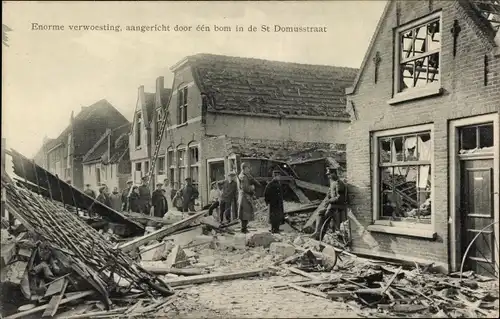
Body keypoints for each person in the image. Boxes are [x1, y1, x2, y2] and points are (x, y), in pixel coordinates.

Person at [311, 167, 346, 241]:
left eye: (329, 174)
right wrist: (327, 199)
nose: (328, 176)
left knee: (326, 217)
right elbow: (329, 195)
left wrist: (329, 201)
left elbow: (340, 198)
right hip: (332, 205)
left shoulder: (339, 183)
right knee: (320, 213)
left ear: (334, 173)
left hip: (338, 206)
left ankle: (319, 235)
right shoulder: (333, 183)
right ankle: (317, 232)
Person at [237, 162, 259, 233]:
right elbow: (245, 188)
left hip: (243, 196)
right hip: (245, 197)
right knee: (245, 213)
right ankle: (243, 229)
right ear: (244, 168)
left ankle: (244, 228)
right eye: (247, 168)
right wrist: (252, 188)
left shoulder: (243, 175)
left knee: (244, 213)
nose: (249, 170)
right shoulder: (244, 177)